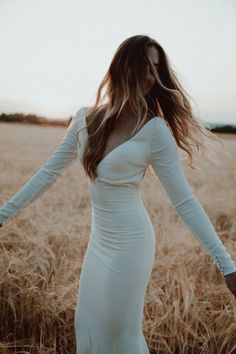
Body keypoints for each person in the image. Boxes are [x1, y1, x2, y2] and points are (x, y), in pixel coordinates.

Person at [0, 34, 235, 354]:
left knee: (120, 333)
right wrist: (3, 216)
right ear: (120, 66)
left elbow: (185, 202)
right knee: (88, 327)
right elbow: (48, 174)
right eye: (143, 66)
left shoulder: (155, 131)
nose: (150, 76)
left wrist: (227, 264)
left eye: (155, 69)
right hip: (99, 243)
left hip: (132, 245)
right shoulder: (84, 118)